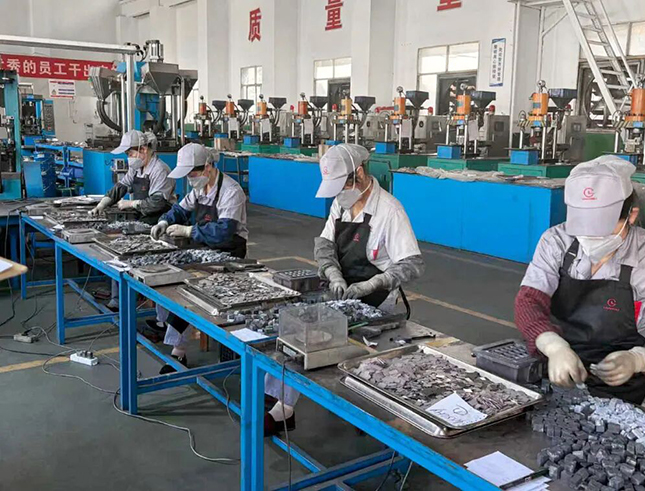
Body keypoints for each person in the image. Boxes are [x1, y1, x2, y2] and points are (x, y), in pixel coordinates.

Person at [262, 143, 425, 436]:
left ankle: (369, 413)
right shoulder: (341, 204)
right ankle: (282, 406)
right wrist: (333, 274)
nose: (338, 194)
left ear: (359, 174)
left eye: (342, 186)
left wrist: (375, 283)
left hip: (376, 303)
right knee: (299, 336)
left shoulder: (390, 211)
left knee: (359, 358)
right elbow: (325, 245)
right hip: (340, 293)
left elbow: (412, 264)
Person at [515, 156, 645, 404]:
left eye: (602, 227)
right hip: (555, 367)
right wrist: (552, 345)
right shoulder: (556, 241)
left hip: (621, 385)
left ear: (632, 216)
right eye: (583, 226)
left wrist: (640, 359)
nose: (591, 237)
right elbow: (529, 301)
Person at [149, 143, 248, 374]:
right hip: (204, 248)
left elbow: (224, 231)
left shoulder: (231, 191)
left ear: (208, 167)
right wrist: (164, 220)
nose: (190, 179)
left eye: (192, 174)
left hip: (229, 252)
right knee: (176, 287)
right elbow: (181, 209)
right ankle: (175, 346)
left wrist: (188, 231)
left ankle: (182, 351)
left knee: (196, 294)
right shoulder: (200, 189)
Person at [89, 130, 176, 310]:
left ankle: (156, 313)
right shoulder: (137, 167)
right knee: (121, 255)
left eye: (130, 153)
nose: (128, 158)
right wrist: (103, 204)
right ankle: (119, 300)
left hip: (158, 223)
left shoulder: (160, 170)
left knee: (153, 267)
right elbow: (121, 186)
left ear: (143, 149)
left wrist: (131, 203)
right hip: (141, 220)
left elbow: (157, 203)